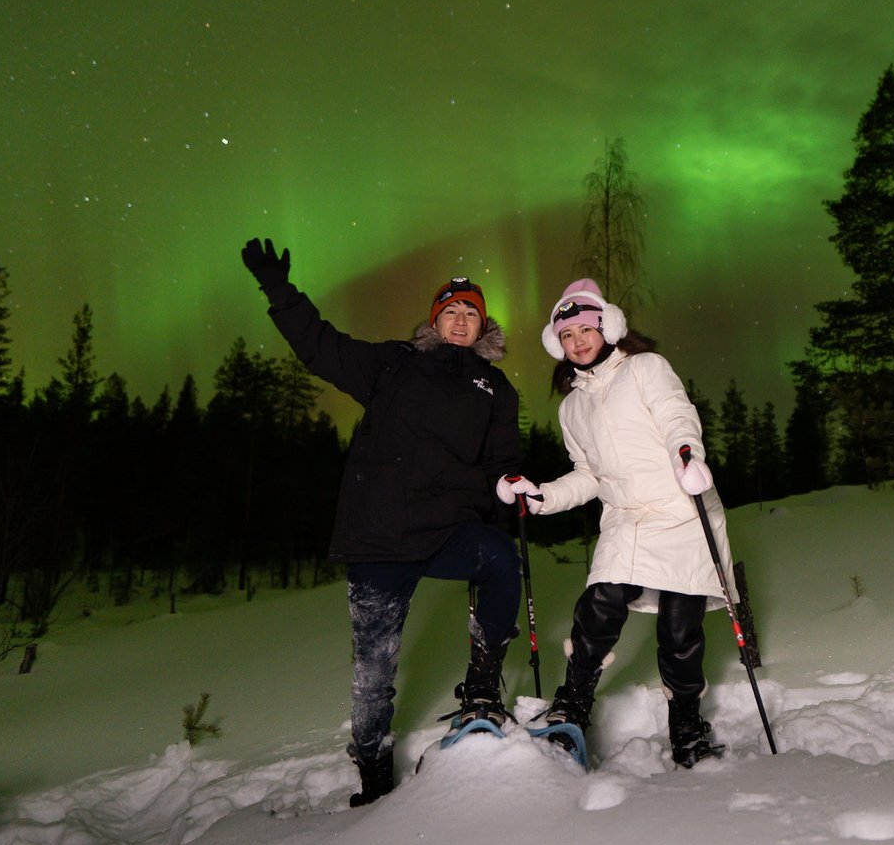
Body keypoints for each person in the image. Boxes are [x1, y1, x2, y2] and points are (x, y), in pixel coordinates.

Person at [240, 238, 522, 806]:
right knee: (373, 669)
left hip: (448, 530)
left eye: (472, 312)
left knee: (499, 558)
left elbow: (502, 464)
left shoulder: (496, 389)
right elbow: (321, 347)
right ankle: (372, 773)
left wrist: (512, 491)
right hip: (380, 535)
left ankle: (484, 688)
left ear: (483, 324)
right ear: (435, 319)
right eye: (452, 311)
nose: (461, 319)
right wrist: (279, 290)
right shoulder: (395, 363)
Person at [498, 278, 734, 768]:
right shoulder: (572, 406)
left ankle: (687, 728)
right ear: (557, 345)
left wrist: (686, 456)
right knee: (599, 605)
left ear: (608, 327)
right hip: (625, 519)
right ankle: (572, 708)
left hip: (679, 510)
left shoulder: (646, 368)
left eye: (585, 328)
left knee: (679, 632)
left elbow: (677, 418)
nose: (577, 341)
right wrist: (541, 497)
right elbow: (588, 476)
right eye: (566, 335)